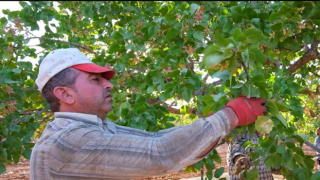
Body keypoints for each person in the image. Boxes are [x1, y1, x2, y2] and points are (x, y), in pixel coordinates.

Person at [30, 47, 267, 180]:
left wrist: (219, 121)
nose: (109, 85)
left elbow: (155, 139)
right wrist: (231, 115)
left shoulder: (95, 128)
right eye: (95, 79)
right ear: (66, 94)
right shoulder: (66, 141)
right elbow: (160, 154)